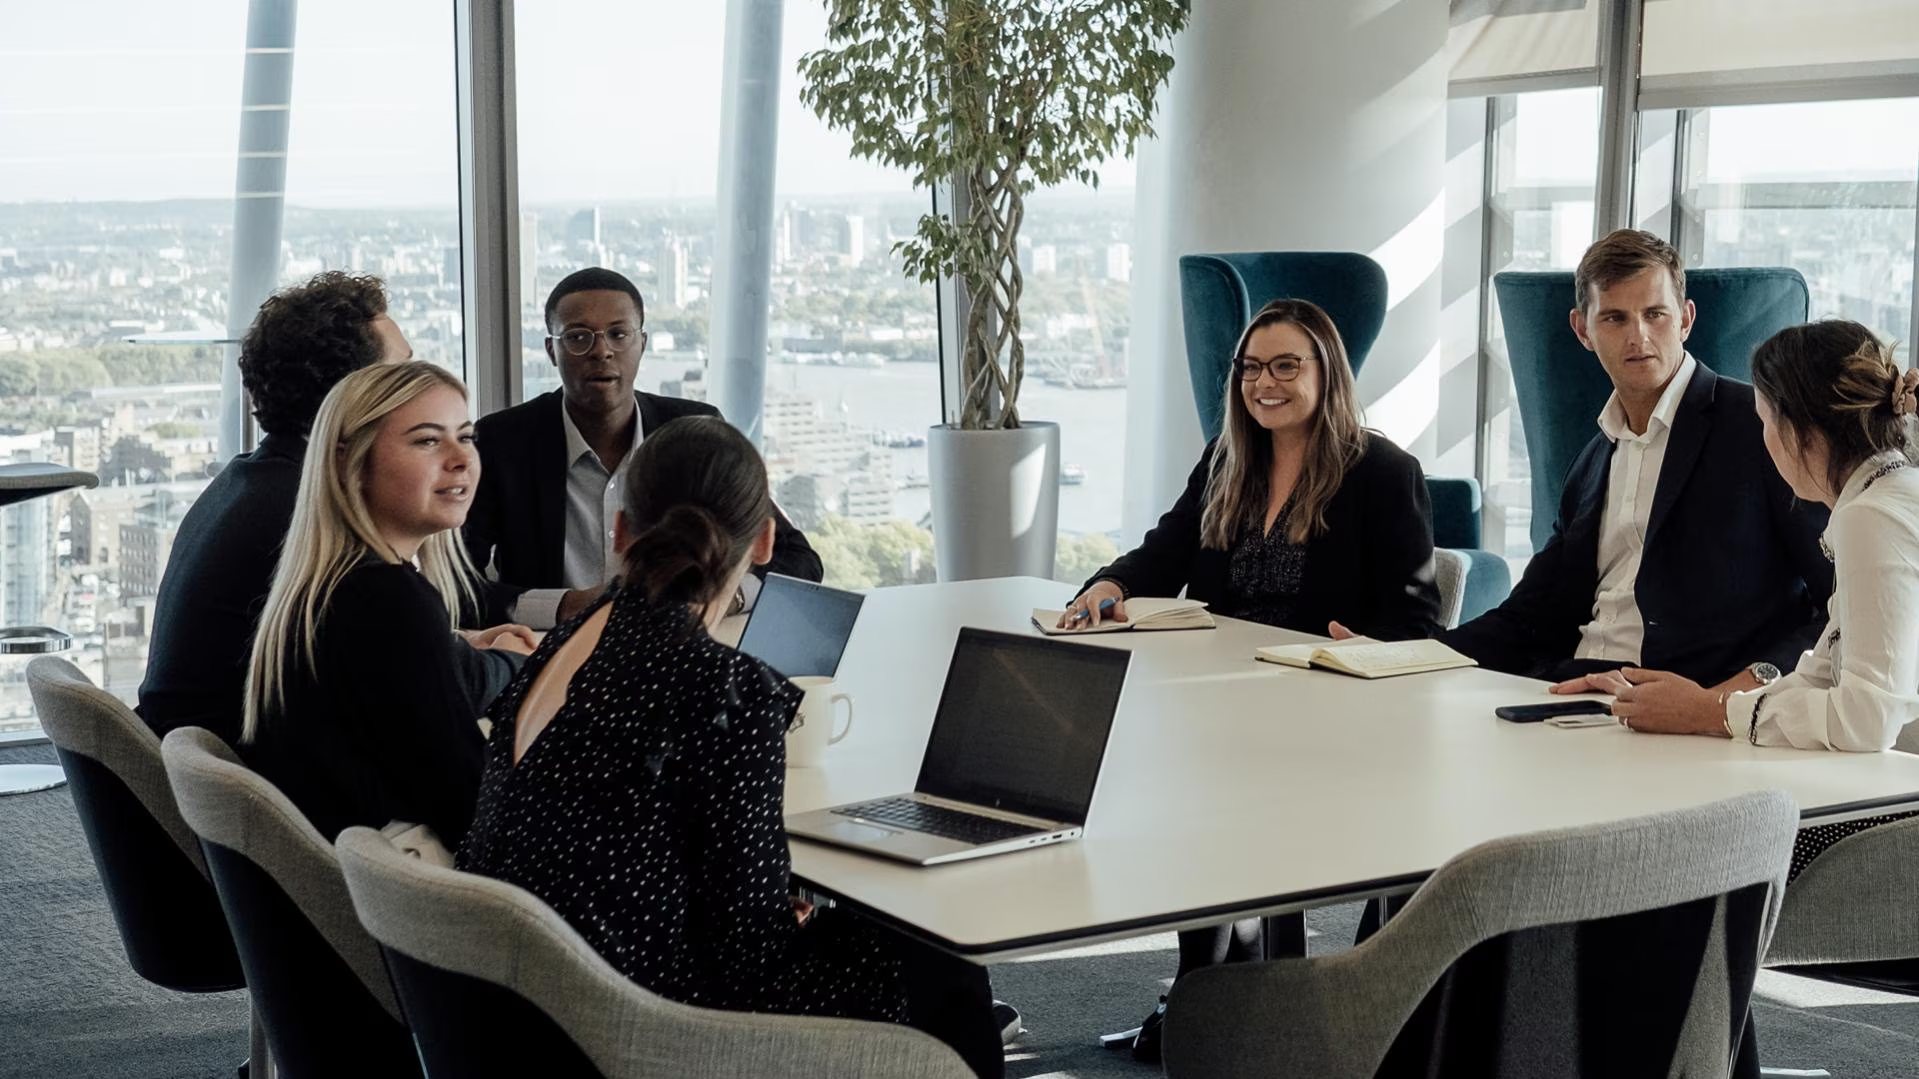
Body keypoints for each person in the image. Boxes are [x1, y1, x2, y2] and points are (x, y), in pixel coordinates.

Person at [457, 416, 1002, 1077]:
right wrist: (783, 915)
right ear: (765, 541)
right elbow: (747, 955)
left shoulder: (560, 646)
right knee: (936, 949)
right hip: (646, 1023)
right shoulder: (723, 690)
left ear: (620, 531)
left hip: (527, 1009)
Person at [1057, 297, 1441, 1062]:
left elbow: (1416, 619)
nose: (1264, 383)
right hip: (1222, 703)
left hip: (1331, 714)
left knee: (1216, 793)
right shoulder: (1227, 459)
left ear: (1326, 372)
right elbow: (1165, 551)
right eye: (1250, 368)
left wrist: (1362, 646)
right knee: (1173, 772)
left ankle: (1229, 1007)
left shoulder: (1382, 472)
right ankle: (1205, 997)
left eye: (1285, 365)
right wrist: (1109, 583)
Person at [1573, 319, 1919, 878]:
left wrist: (1713, 713)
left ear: (1803, 432)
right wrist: (1705, 706)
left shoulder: (1871, 517)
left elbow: (1867, 719)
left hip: (1893, 830)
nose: (1762, 442)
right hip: (1891, 799)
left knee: (1688, 854)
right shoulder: (1885, 495)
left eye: (1765, 422)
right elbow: (1826, 668)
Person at [1441, 229, 1832, 692]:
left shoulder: (1761, 428)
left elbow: (1839, 602)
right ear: (1583, 330)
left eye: (1654, 314)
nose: (1638, 337)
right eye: (1615, 318)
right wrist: (1406, 654)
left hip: (1694, 703)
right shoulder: (1590, 461)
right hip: (1573, 689)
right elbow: (1529, 614)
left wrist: (1738, 692)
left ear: (1685, 320)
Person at [242, 362, 530, 848]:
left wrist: (457, 648)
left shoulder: (331, 584)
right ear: (350, 462)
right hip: (401, 884)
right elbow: (474, 810)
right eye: (428, 441)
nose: (461, 458)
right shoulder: (388, 600)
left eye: (466, 436)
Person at [462, 267, 822, 630]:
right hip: (547, 650)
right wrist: (565, 607)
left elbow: (798, 559)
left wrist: (726, 598)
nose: (601, 351)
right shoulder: (502, 441)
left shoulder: (693, 433)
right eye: (578, 337)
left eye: (618, 335)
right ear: (552, 351)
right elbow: (454, 586)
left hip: (679, 642)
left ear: (643, 344)